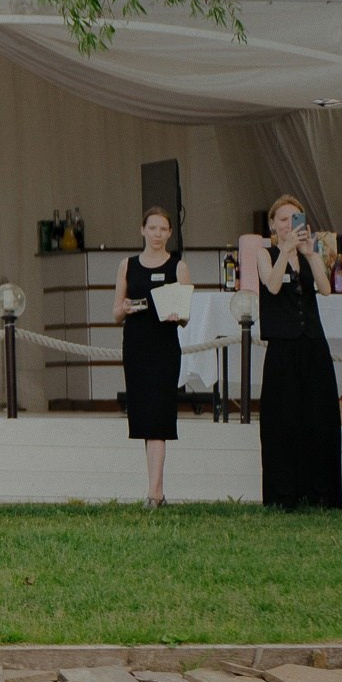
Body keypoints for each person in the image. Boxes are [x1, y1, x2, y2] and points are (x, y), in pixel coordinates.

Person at [256, 194, 341, 510]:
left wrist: (310, 253)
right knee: (284, 419)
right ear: (273, 225)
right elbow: (273, 285)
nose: (289, 224)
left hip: (312, 342)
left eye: (295, 219)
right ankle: (284, 492)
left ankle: (321, 491)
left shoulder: (308, 252)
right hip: (282, 345)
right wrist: (287, 249)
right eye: (282, 219)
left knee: (318, 418)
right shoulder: (265, 254)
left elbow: (326, 287)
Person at [115, 208, 190, 508]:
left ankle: (154, 491)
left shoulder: (178, 266)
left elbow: (185, 316)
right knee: (144, 415)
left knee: (159, 415)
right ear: (142, 230)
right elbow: (115, 311)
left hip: (163, 345)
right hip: (136, 343)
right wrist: (127, 307)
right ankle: (155, 489)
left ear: (170, 233)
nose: (158, 234)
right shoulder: (128, 265)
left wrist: (178, 314)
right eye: (153, 228)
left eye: (163, 229)